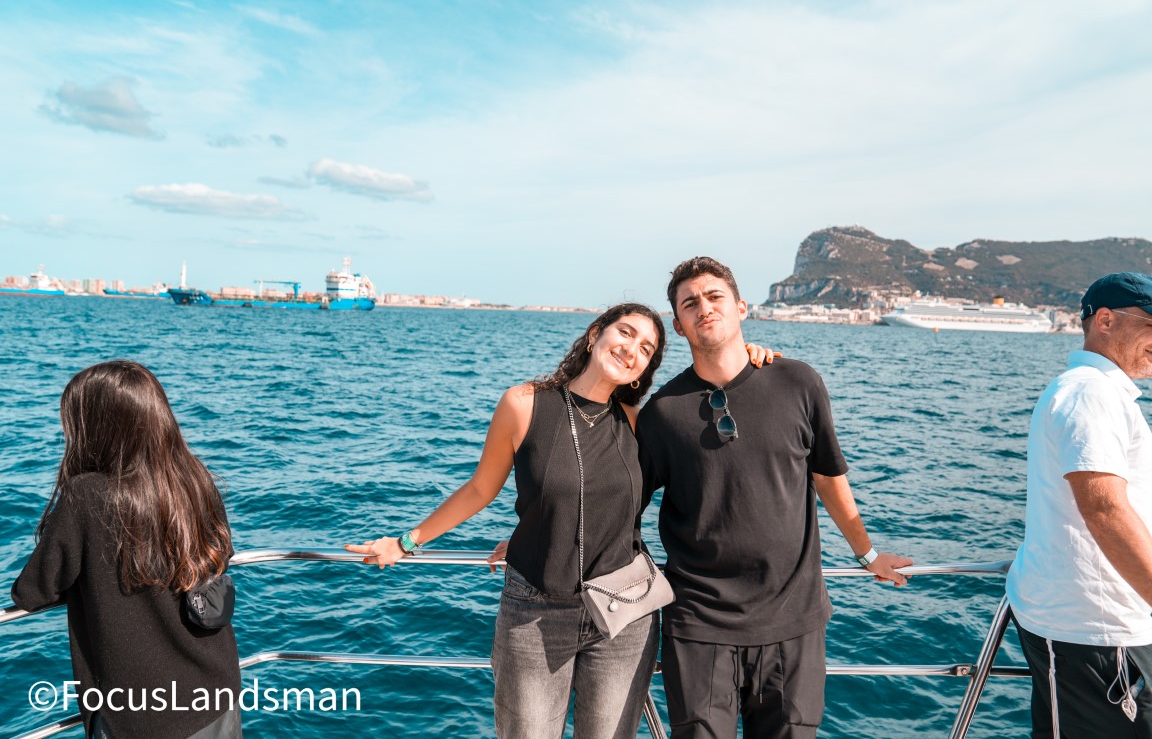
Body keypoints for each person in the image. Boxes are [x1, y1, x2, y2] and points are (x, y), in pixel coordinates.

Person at [346, 303, 770, 738]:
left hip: (623, 614)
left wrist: (746, 362)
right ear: (595, 334)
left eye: (646, 349)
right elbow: (479, 490)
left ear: (644, 371)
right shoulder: (524, 403)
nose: (632, 350)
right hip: (535, 613)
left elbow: (707, 459)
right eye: (625, 333)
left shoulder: (638, 422)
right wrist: (406, 542)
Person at [637, 256, 911, 739]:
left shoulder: (798, 382)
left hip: (793, 619)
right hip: (699, 623)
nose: (704, 308)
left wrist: (867, 554)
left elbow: (828, 477)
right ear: (678, 326)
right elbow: (621, 502)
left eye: (715, 296)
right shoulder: (661, 412)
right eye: (690, 303)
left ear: (741, 307)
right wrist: (541, 536)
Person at [11, 361, 242, 739]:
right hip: (216, 693)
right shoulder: (194, 479)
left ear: (95, 429)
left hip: (140, 716)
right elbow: (220, 555)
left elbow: (32, 592)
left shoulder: (85, 496)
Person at [1005, 271, 1152, 738]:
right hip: (1095, 632)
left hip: (1108, 625)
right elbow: (1105, 509)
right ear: (1105, 321)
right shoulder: (1091, 392)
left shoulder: (1099, 393)